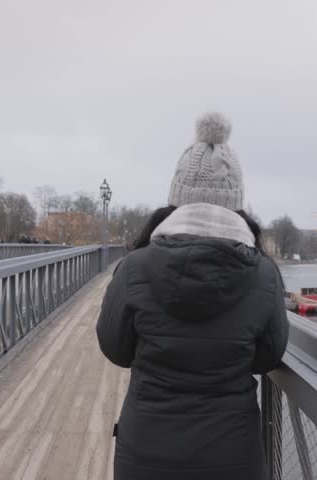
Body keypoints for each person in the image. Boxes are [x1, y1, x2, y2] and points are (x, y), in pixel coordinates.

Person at [97, 112, 289, 480]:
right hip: (234, 457)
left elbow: (115, 349)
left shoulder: (135, 267)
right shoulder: (263, 274)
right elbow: (268, 357)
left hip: (146, 454)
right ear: (236, 204)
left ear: (176, 199)